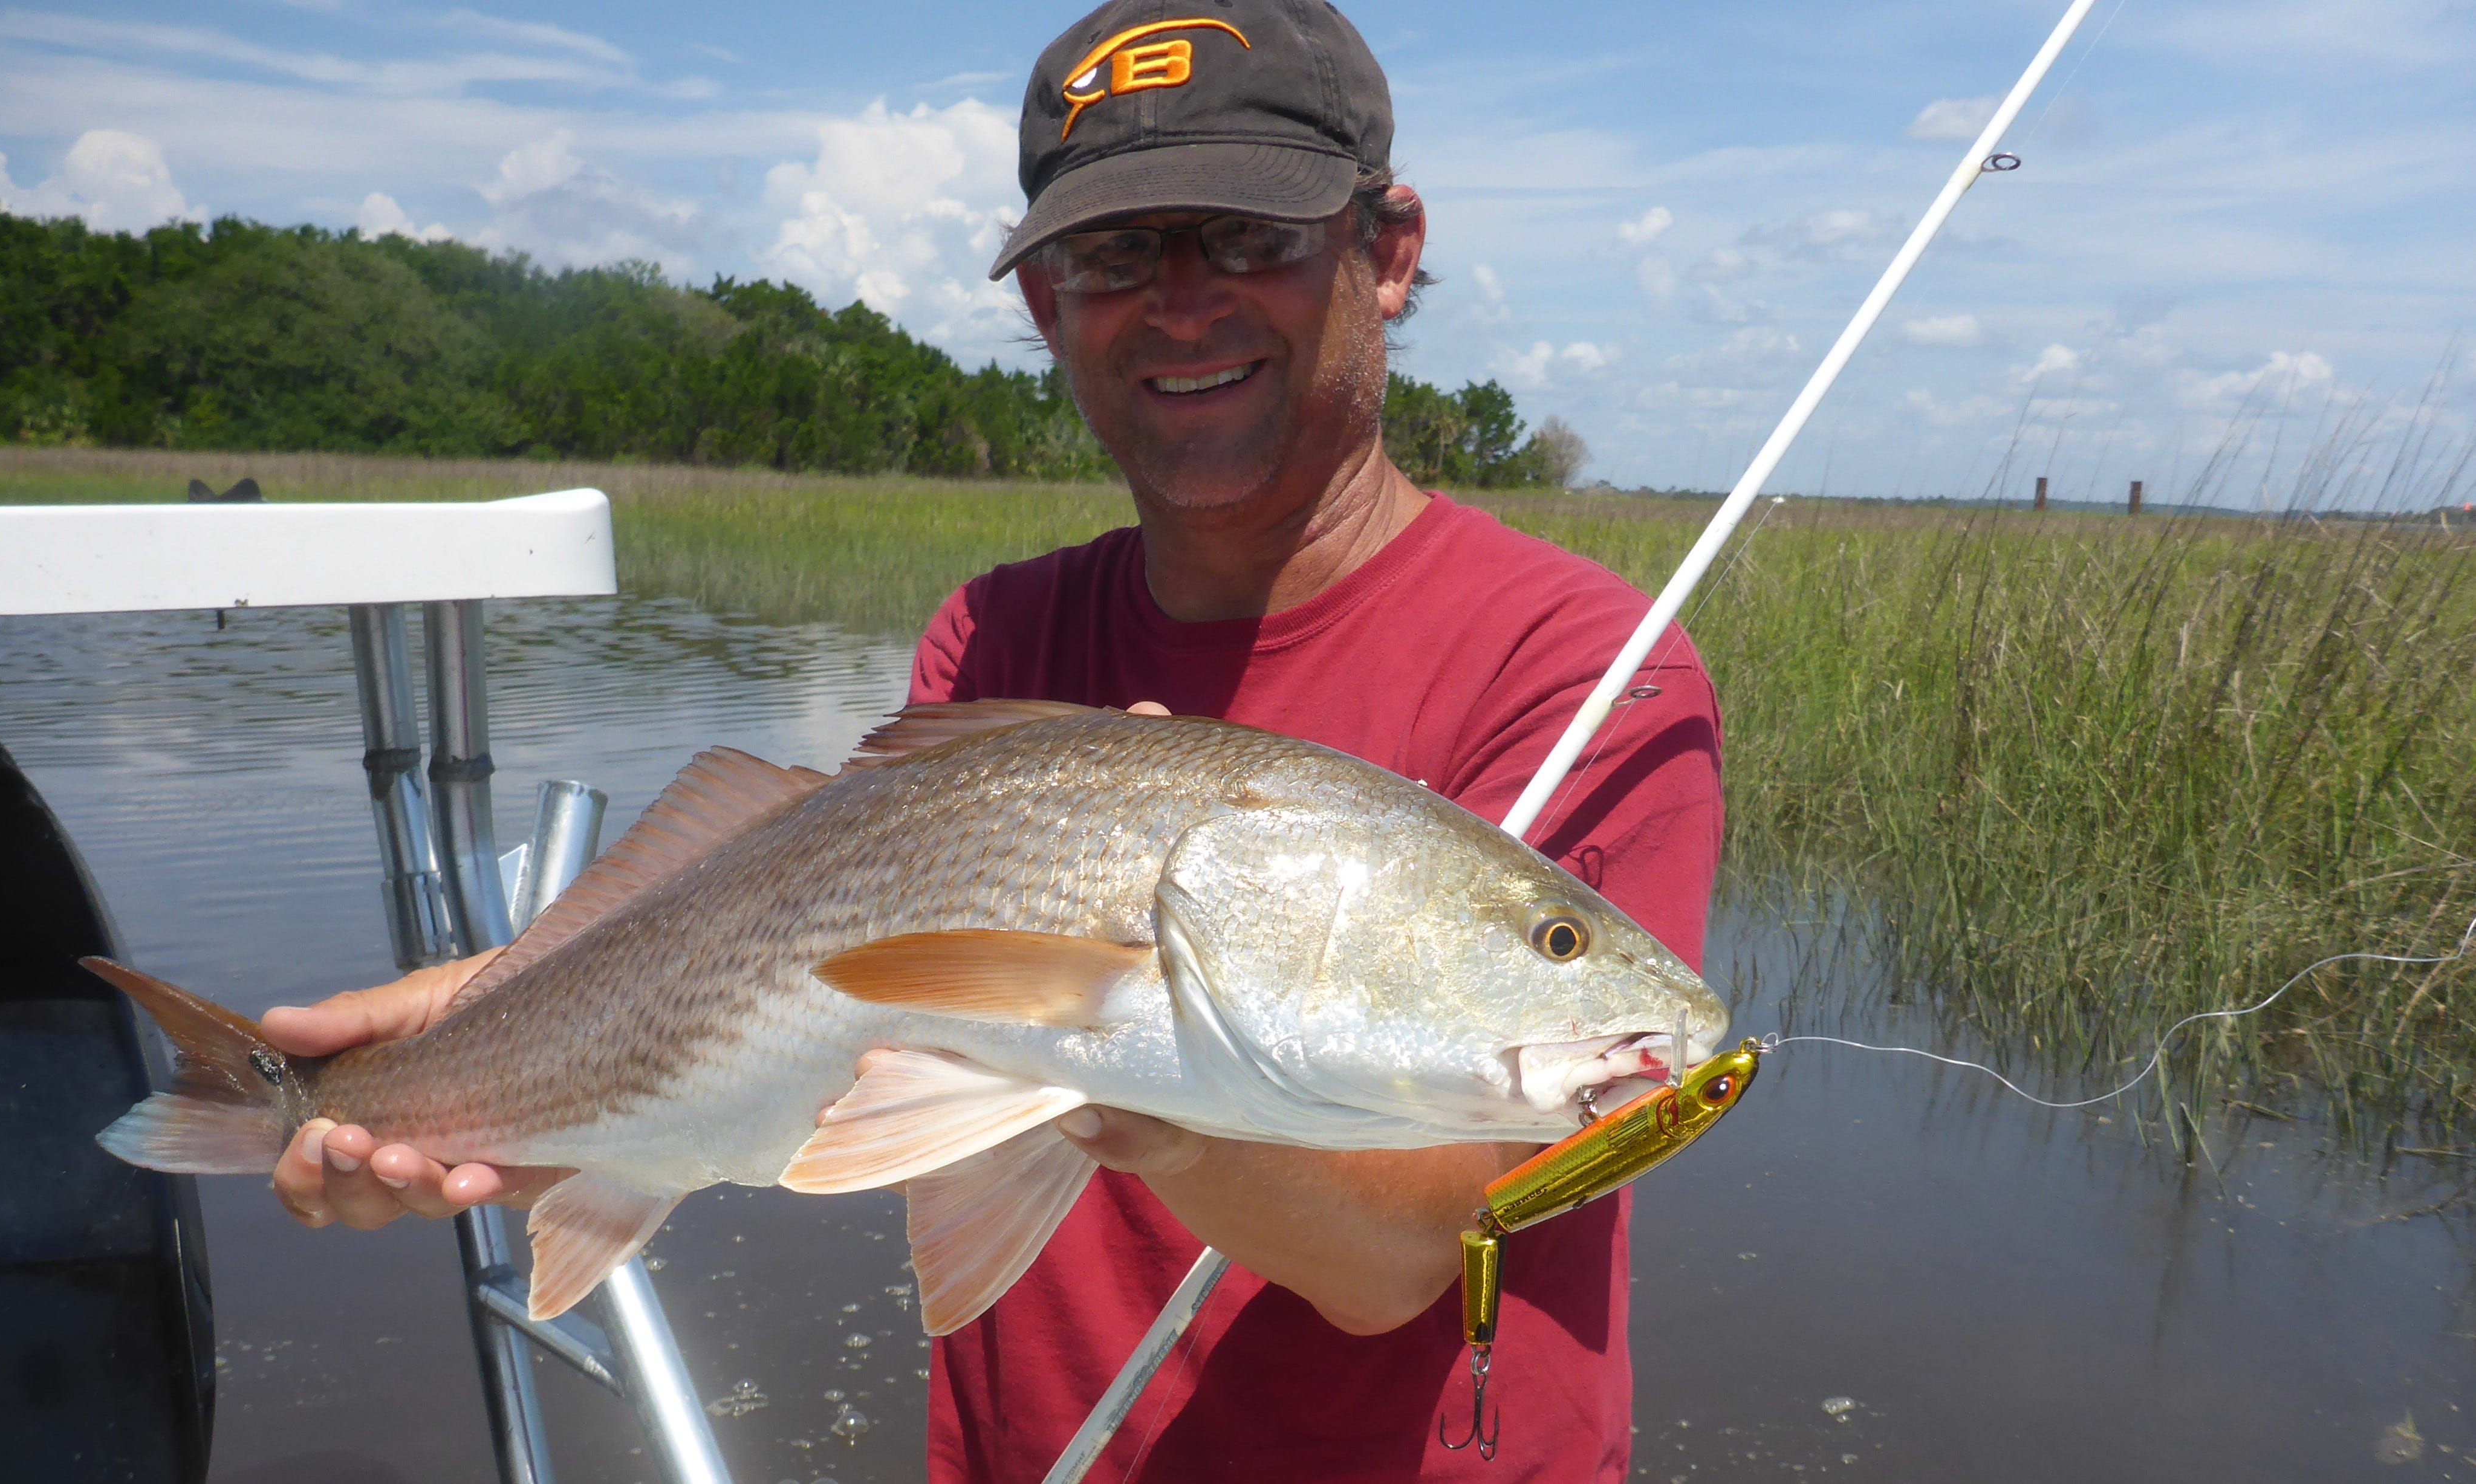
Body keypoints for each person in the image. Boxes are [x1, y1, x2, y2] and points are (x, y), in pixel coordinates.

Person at [261, 2, 1722, 1479]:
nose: (1181, 301)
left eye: (1246, 235)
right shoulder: (995, 636)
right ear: (1045, 307)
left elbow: (1411, 1251)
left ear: (1387, 252)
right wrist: (485, 1027)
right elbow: (788, 930)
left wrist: (1120, 1037)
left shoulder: (1587, 668)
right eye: (1111, 255)